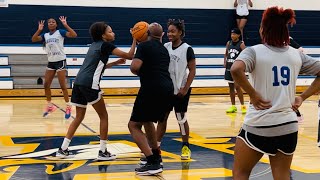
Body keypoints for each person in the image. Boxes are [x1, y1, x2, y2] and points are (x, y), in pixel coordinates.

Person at [231, 6, 320, 180]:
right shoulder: (297, 55)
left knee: (240, 173)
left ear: (264, 29)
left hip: (259, 124)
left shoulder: (254, 51)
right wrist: (302, 97)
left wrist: (253, 94)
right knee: (282, 176)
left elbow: (236, 69)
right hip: (287, 126)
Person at [55, 22, 136, 160]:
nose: (113, 33)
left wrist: (115, 63)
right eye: (110, 31)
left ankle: (62, 149)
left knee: (79, 117)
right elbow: (129, 56)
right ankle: (103, 151)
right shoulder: (106, 45)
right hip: (89, 84)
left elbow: (95, 66)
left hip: (78, 83)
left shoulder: (94, 46)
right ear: (103, 35)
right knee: (103, 116)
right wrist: (135, 39)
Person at [128, 22, 174, 175]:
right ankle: (156, 155)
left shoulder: (144, 47)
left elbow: (134, 67)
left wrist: (145, 73)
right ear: (161, 35)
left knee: (133, 125)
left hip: (151, 88)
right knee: (147, 121)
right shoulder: (164, 50)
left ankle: (152, 161)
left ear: (147, 33)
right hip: (167, 89)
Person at [156, 19, 196, 160]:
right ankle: (156, 147)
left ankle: (185, 146)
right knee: (162, 118)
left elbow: (192, 70)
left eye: (173, 31)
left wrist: (185, 89)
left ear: (180, 32)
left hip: (180, 90)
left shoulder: (187, 49)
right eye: (168, 31)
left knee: (181, 118)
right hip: (166, 90)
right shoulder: (165, 46)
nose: (169, 34)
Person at [32, 16, 77, 119]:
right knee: (46, 84)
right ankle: (50, 106)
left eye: (53, 22)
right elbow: (34, 39)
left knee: (62, 86)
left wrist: (65, 25)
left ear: (56, 24)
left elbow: (74, 35)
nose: (51, 23)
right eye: (49, 22)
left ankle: (68, 106)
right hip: (51, 62)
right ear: (47, 25)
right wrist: (39, 30)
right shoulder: (45, 35)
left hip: (60, 61)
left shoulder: (60, 32)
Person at [224, 28, 246, 114]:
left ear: (238, 35)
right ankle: (233, 106)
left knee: (238, 87)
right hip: (229, 67)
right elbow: (226, 53)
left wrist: (242, 65)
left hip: (237, 69)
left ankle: (242, 106)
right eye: (231, 34)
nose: (232, 35)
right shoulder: (228, 43)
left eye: (234, 34)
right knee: (231, 87)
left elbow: (246, 54)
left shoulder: (241, 44)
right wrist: (225, 61)